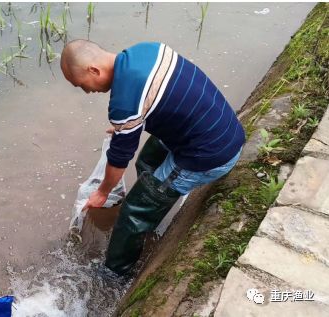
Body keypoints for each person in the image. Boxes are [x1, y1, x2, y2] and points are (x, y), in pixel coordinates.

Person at [60, 40, 245, 275]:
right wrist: (126, 127)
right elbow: (162, 100)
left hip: (210, 156)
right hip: (225, 129)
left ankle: (114, 273)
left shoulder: (124, 103)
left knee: (132, 213)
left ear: (93, 70)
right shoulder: (146, 50)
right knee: (146, 160)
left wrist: (102, 193)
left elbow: (118, 159)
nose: (87, 91)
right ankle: (153, 203)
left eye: (82, 85)